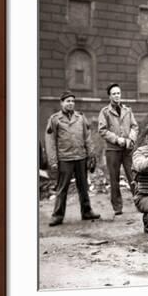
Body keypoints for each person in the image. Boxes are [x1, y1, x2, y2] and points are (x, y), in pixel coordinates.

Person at [45, 91, 101, 227]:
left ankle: (87, 211)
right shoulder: (55, 119)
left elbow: (87, 137)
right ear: (62, 103)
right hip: (65, 158)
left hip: (80, 157)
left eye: (72, 101)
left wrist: (91, 155)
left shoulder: (80, 118)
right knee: (62, 188)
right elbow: (50, 141)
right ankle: (57, 215)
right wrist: (53, 161)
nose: (71, 103)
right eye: (68, 101)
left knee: (83, 186)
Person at [98, 83, 139, 215]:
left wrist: (131, 139)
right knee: (114, 179)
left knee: (133, 176)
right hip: (112, 150)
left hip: (127, 149)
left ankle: (140, 202)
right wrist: (117, 139)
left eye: (118, 93)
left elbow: (135, 126)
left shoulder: (128, 110)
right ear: (109, 96)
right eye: (114, 93)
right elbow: (102, 130)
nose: (117, 96)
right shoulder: (104, 112)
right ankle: (117, 207)